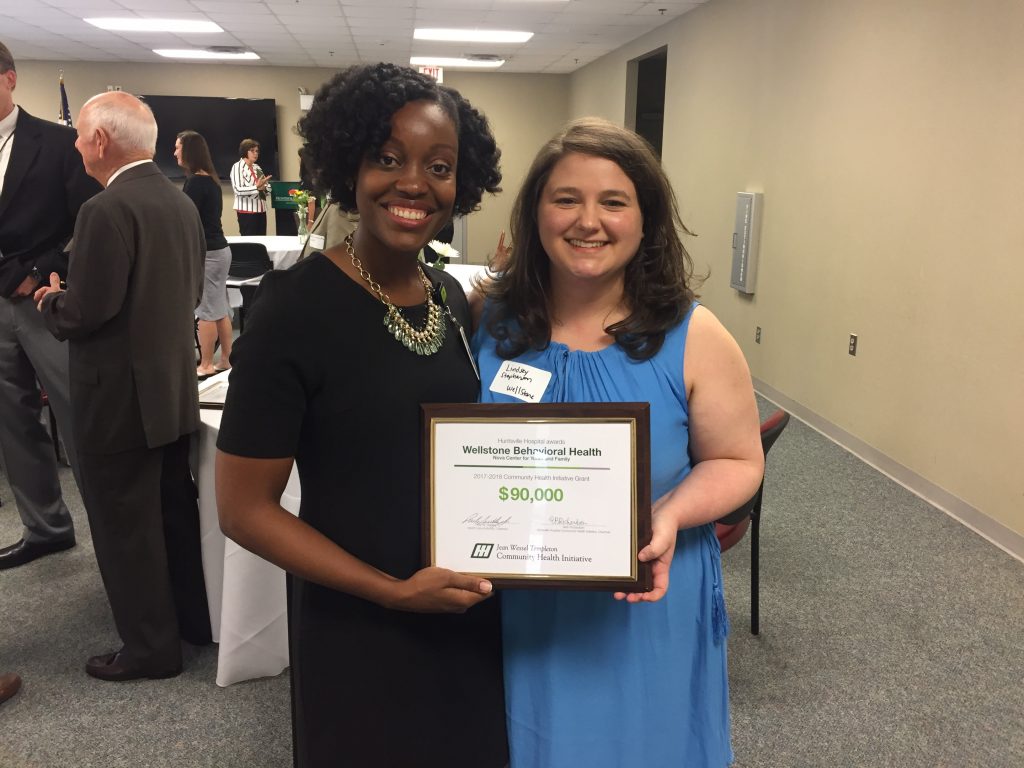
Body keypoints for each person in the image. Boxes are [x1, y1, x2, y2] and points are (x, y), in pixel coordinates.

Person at [215, 63, 507, 767]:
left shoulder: (447, 296)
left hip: (465, 606)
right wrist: (394, 593)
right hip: (361, 620)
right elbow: (243, 510)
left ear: (461, 187)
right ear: (347, 166)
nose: (413, 183)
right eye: (386, 159)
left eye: (438, 166)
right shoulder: (292, 313)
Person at [472, 117, 765, 767]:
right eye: (566, 198)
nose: (588, 221)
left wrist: (672, 514)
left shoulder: (693, 334)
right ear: (536, 212)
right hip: (520, 600)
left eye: (613, 201)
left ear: (645, 218)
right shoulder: (492, 321)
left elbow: (738, 461)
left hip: (644, 597)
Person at [34, 91, 212, 681]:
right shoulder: (179, 201)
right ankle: (193, 623)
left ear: (102, 141)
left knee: (123, 529)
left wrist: (51, 300)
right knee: (171, 517)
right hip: (169, 391)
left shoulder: (104, 211)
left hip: (117, 400)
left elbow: (89, 312)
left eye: (81, 136)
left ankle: (149, 650)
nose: (78, 145)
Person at [0, 40, 101, 569]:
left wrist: (38, 271)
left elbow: (85, 220)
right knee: (13, 421)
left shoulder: (60, 143)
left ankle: (110, 528)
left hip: (43, 297)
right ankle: (45, 526)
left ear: (9, 79)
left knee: (74, 413)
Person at [174, 130, 232, 377]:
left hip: (209, 253)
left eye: (178, 147)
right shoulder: (211, 179)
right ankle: (226, 360)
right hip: (220, 251)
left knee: (206, 309)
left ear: (189, 151)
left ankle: (206, 363)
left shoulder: (196, 183)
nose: (174, 152)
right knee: (219, 309)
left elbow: (186, 219)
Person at [230, 138, 270, 235]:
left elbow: (267, 186)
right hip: (247, 212)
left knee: (262, 242)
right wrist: (257, 188)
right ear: (244, 151)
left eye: (257, 151)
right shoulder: (237, 167)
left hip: (261, 210)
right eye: (252, 151)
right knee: (250, 244)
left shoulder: (257, 167)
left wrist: (266, 188)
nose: (255, 153)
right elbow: (238, 190)